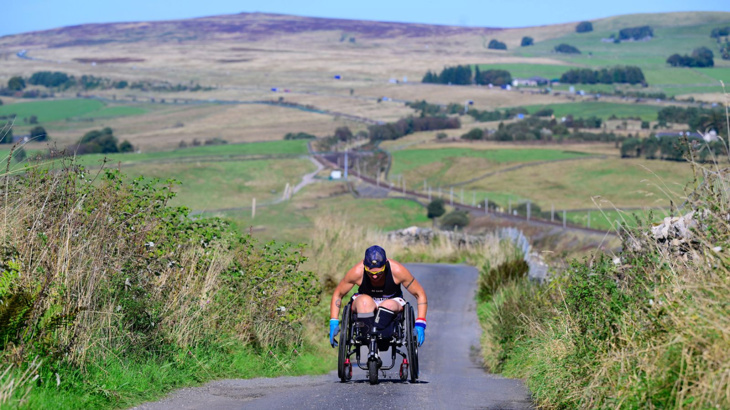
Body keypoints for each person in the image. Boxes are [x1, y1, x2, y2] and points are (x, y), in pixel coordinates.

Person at [329, 245, 428, 348]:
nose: (375, 276)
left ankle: (384, 336)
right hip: (366, 300)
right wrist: (334, 322)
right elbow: (338, 294)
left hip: (391, 300)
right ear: (364, 265)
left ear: (385, 264)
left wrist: (420, 323)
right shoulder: (357, 272)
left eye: (379, 272)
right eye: (370, 272)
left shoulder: (397, 271)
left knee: (388, 305)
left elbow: (419, 294)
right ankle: (368, 337)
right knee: (364, 302)